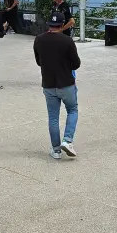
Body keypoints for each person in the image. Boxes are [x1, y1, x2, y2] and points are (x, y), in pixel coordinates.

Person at [34, 10, 81, 159]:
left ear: (49, 24)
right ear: (61, 25)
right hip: (66, 83)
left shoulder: (39, 40)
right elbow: (76, 64)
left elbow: (38, 62)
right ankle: (67, 140)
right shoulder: (67, 41)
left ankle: (56, 150)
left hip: (48, 84)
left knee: (53, 117)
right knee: (72, 110)